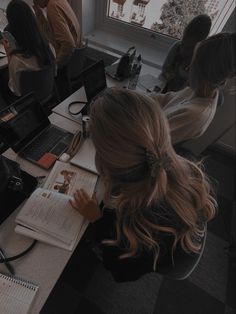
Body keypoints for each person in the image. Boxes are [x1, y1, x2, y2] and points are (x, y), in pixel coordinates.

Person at [70, 87, 217, 282]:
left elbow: (121, 272)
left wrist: (97, 220)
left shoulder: (134, 228)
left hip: (151, 253)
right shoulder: (184, 164)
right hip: (175, 233)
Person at [152, 32, 236, 145]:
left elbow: (149, 141)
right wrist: (129, 96)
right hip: (148, 124)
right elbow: (165, 99)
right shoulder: (195, 90)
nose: (189, 67)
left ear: (203, 72)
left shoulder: (194, 115)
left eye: (194, 62)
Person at [0, 0, 54, 99]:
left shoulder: (17, 60)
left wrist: (9, 56)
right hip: (48, 94)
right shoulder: (49, 47)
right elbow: (55, 73)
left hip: (26, 104)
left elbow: (15, 90)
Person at [156, 14, 212, 93]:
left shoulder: (200, 64)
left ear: (199, 47)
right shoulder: (177, 47)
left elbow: (188, 91)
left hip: (179, 99)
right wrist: (167, 74)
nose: (183, 50)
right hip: (164, 91)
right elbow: (164, 70)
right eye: (183, 44)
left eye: (189, 48)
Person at [33, 0, 81, 68]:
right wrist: (38, 13)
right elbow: (49, 35)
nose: (34, 1)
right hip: (75, 58)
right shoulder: (59, 1)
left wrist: (55, 66)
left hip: (68, 64)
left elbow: (69, 44)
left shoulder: (52, 6)